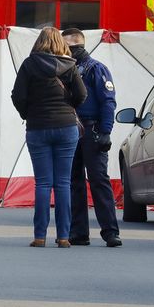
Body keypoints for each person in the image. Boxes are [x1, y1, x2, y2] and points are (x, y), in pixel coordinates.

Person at [11, 27, 87, 248]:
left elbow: (18, 96)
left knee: (43, 183)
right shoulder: (70, 65)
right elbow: (82, 94)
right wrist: (68, 108)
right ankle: (64, 236)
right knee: (63, 183)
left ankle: (40, 236)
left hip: (38, 127)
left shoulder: (29, 64)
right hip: (66, 128)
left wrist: (28, 113)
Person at [61, 28, 122, 248]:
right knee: (73, 182)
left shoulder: (96, 69)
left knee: (98, 180)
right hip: (71, 129)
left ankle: (110, 232)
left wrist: (106, 131)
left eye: (66, 47)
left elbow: (108, 101)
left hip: (92, 128)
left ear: (76, 47)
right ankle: (79, 232)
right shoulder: (65, 70)